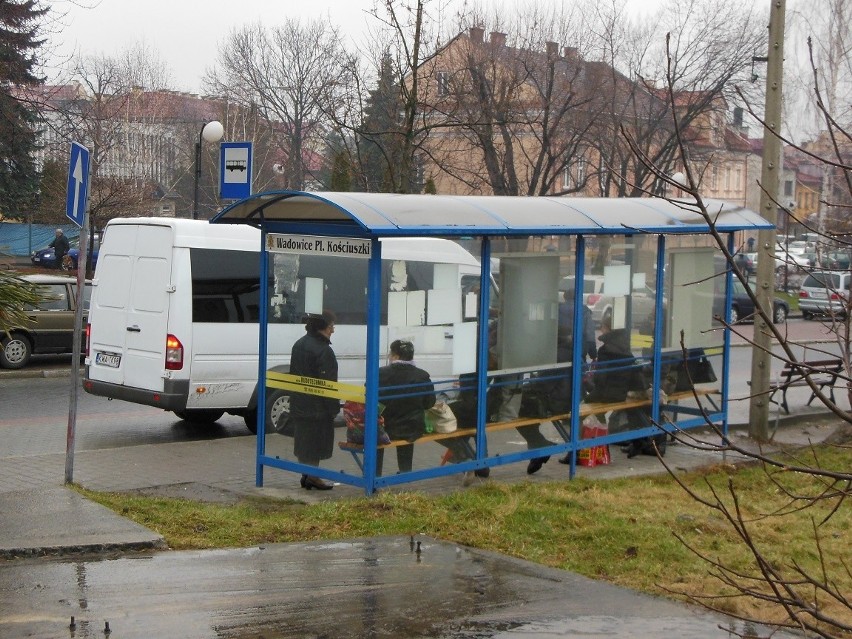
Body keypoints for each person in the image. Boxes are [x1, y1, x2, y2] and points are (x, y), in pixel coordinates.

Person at [289, 311, 339, 490]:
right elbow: (328, 384)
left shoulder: (299, 344)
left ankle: (307, 474)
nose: (333, 330)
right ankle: (313, 477)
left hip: (300, 403)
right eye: (331, 326)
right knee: (316, 444)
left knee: (304, 442)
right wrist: (333, 408)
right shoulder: (324, 350)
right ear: (322, 328)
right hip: (317, 409)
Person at [376, 340, 436, 475]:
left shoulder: (381, 373)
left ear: (396, 356)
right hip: (413, 428)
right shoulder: (422, 375)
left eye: (391, 354)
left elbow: (368, 397)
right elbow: (429, 403)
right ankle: (405, 471)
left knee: (375, 434)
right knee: (408, 426)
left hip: (385, 428)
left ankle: (375, 474)